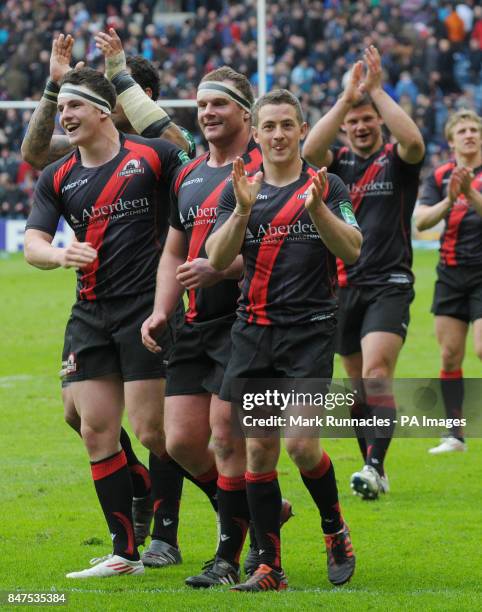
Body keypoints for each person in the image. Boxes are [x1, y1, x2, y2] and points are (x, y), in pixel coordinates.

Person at [21, 32, 194, 558]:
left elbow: (183, 149)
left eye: (84, 101)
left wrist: (117, 74)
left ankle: (167, 530)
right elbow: (34, 156)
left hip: (154, 296)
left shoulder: (155, 155)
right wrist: (55, 88)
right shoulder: (66, 167)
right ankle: (135, 500)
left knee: (157, 430)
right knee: (81, 417)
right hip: (93, 307)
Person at [141, 67, 292, 588]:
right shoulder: (189, 174)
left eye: (219, 104)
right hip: (194, 321)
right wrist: (162, 309)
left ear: (246, 114)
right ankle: (256, 506)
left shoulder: (269, 167)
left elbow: (289, 252)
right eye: (202, 105)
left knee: (230, 440)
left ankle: (229, 558)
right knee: (181, 442)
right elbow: (174, 253)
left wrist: (221, 269)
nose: (206, 113)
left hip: (249, 323)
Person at [206, 89, 361, 592]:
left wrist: (318, 211)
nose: (277, 135)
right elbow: (215, 257)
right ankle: (270, 567)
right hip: (253, 333)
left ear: (301, 130)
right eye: (268, 126)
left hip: (310, 331)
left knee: (300, 444)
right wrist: (240, 212)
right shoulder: (240, 188)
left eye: (286, 126)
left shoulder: (327, 184)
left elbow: (353, 249)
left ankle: (334, 526)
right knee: (259, 453)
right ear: (256, 132)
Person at [303, 46, 425, 500]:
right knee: (357, 387)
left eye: (367, 118)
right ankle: (375, 464)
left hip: (389, 283)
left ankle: (373, 467)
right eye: (353, 121)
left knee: (376, 374)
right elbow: (310, 150)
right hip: (339, 287)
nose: (359, 126)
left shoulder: (397, 160)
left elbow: (414, 142)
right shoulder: (337, 165)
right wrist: (346, 98)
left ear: (379, 121)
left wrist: (376, 92)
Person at [415, 109, 482, 453]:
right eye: (463, 130)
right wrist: (450, 199)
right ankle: (454, 434)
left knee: (481, 349)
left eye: (475, 129)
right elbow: (422, 221)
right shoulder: (440, 176)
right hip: (451, 274)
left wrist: (471, 195)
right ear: (452, 140)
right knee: (450, 355)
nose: (470, 134)